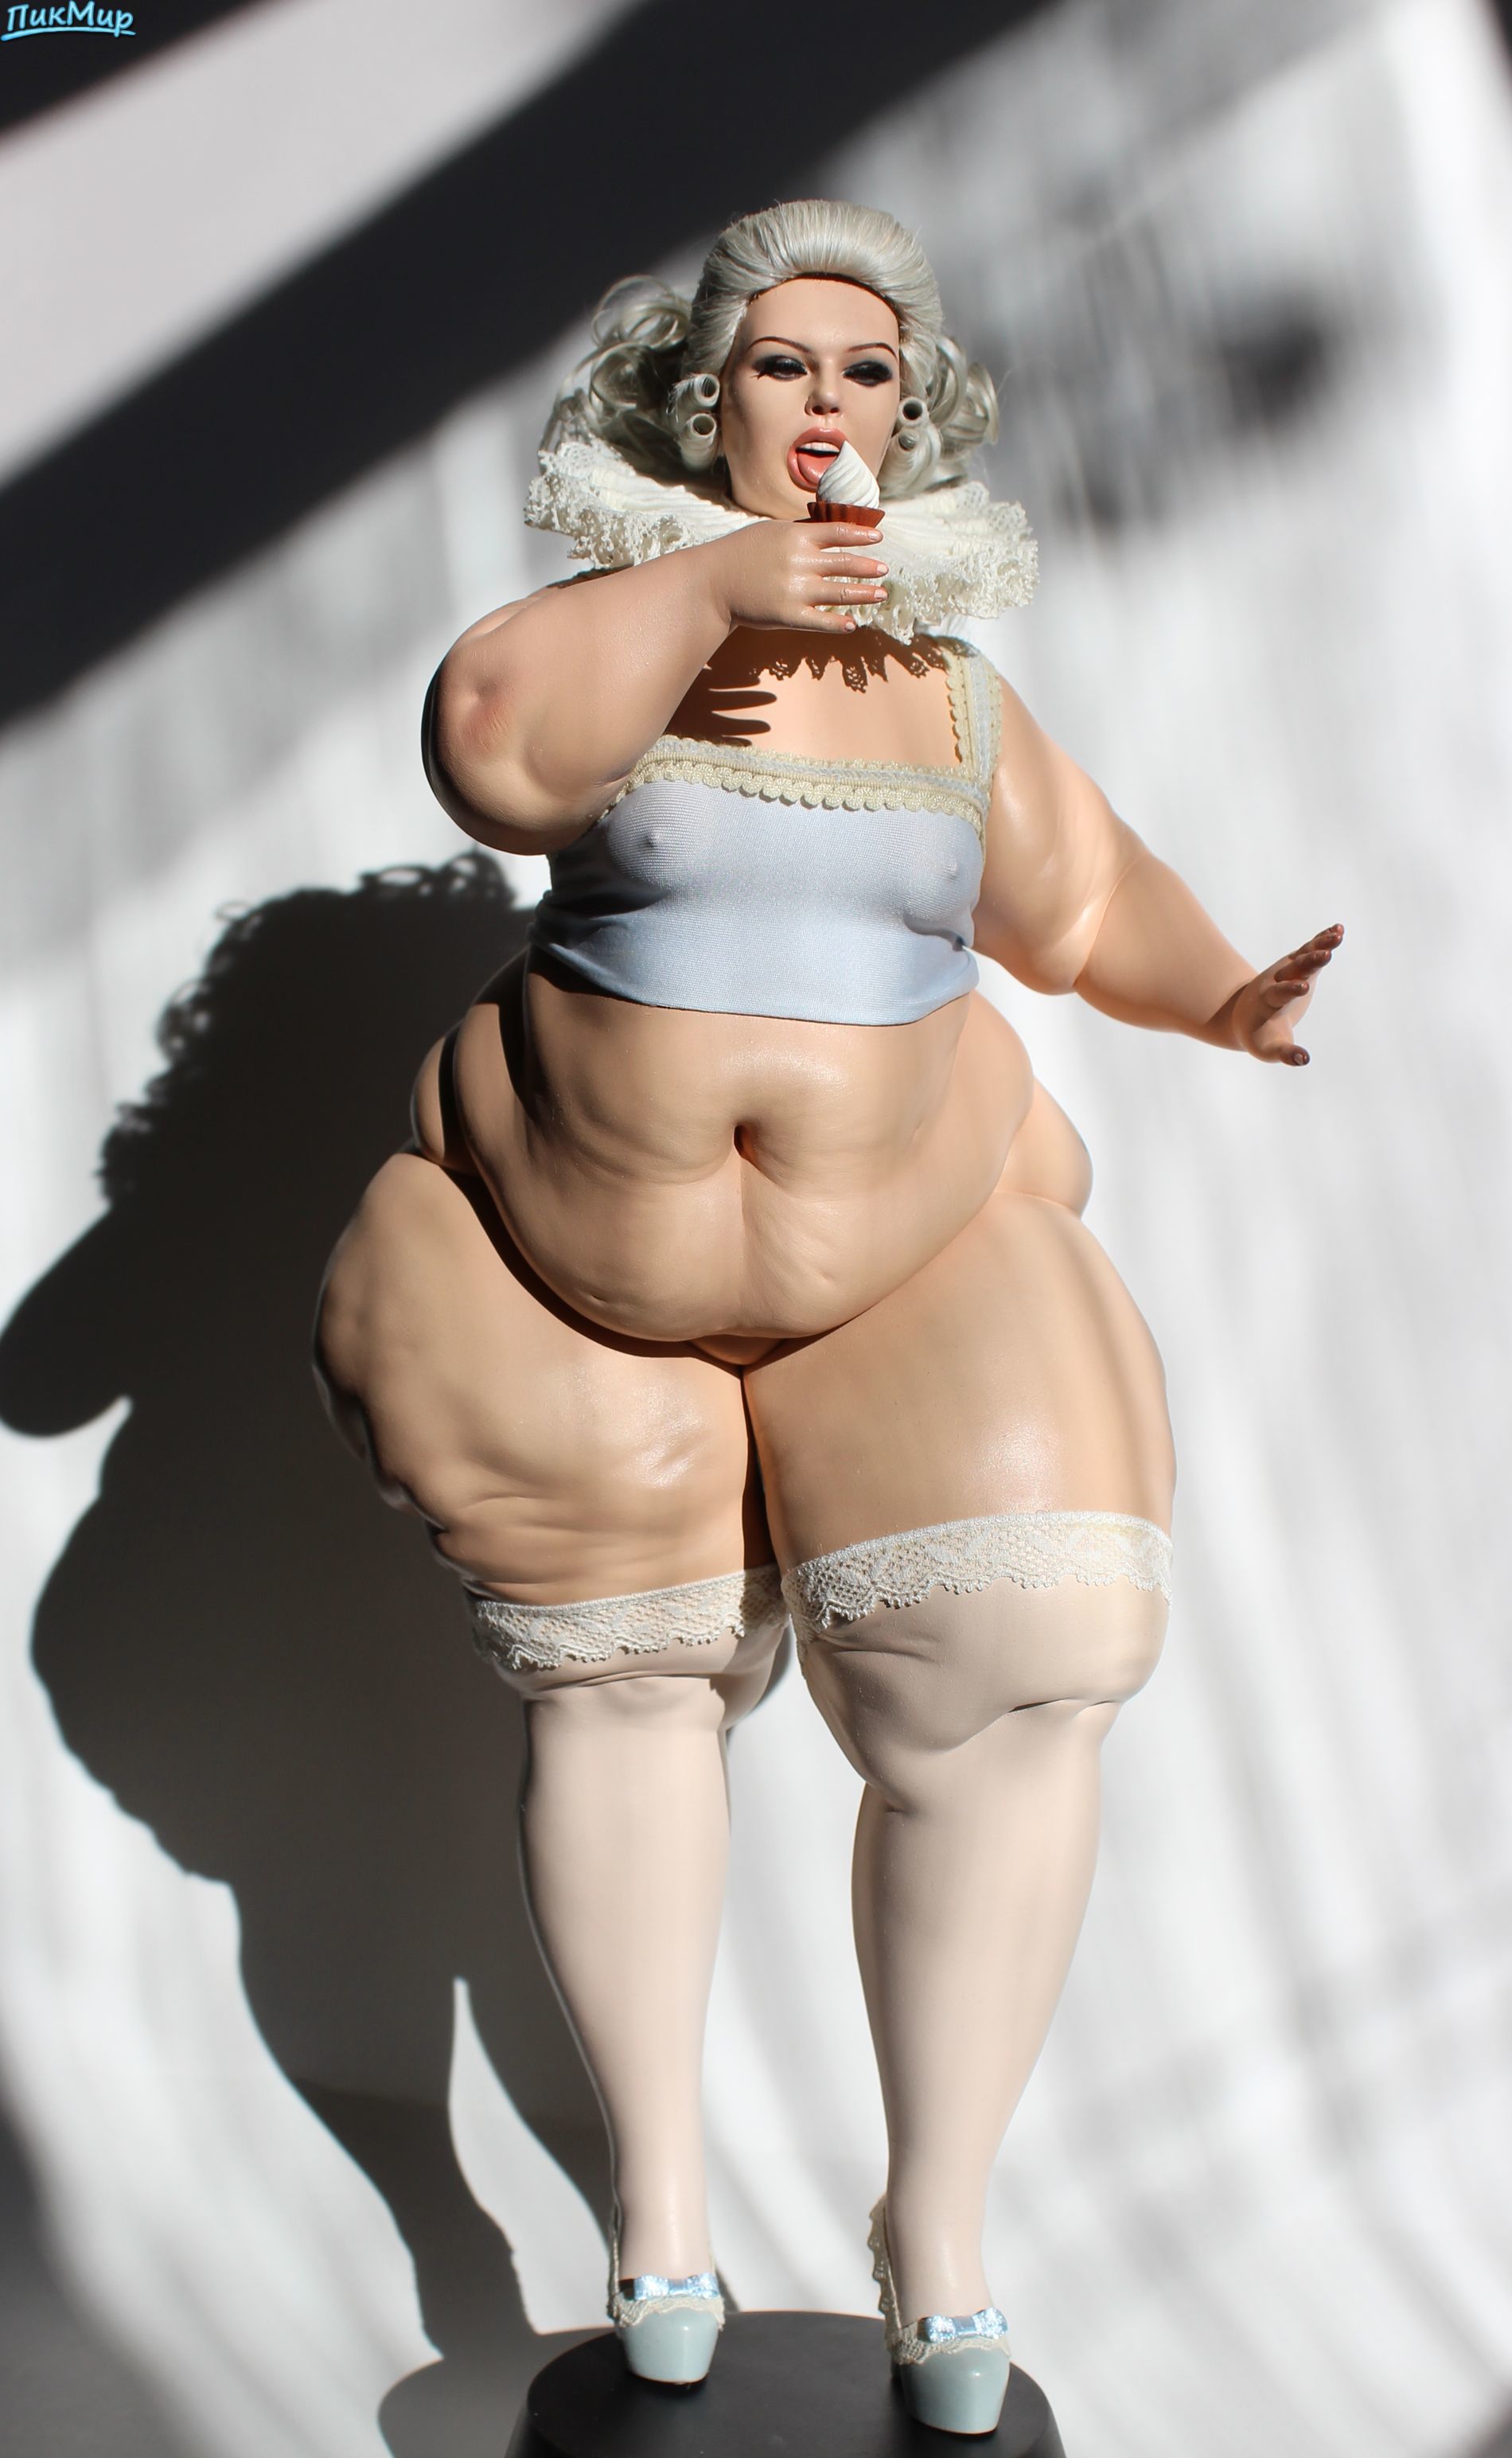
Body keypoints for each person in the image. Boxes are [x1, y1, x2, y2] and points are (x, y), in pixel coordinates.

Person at [315, 199, 1341, 2436]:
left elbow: (1082, 894)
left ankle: (936, 2232)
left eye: (866, 369)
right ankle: (659, 2215)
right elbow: (494, 747)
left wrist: (1218, 992)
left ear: (912, 408)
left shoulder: (948, 688)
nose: (827, 403)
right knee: (627, 1684)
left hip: (906, 1251)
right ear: (705, 398)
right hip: (566, 1275)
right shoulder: (619, 626)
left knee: (1020, 1667)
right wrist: (709, 595)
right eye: (782, 364)